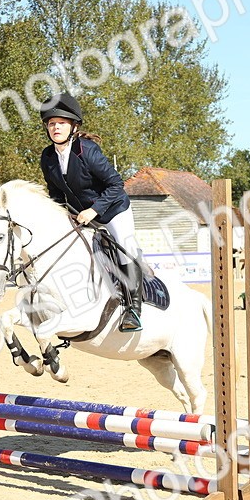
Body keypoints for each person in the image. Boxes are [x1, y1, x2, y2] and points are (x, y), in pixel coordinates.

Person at [38, 92, 144, 332]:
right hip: (80, 214)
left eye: (61, 123)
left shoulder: (87, 150)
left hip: (113, 210)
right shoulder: (48, 157)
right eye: (51, 124)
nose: (55, 128)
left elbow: (116, 185)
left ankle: (133, 310)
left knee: (124, 247)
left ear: (73, 126)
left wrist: (94, 210)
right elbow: (55, 194)